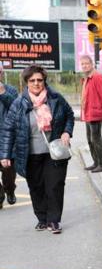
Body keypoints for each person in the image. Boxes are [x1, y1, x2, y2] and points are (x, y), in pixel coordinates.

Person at [0, 65, 74, 233]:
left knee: (55, 186)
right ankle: (42, 218)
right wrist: (4, 154)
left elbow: (69, 115)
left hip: (54, 153)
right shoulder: (19, 103)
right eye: (32, 80)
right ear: (27, 82)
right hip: (29, 155)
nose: (36, 83)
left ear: (44, 81)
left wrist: (66, 132)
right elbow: (8, 129)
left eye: (39, 80)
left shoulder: (55, 98)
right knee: (36, 187)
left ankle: (54, 220)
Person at [79, 55, 102, 173]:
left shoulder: (97, 77)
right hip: (88, 113)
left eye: (87, 63)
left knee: (96, 139)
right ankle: (96, 162)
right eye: (82, 64)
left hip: (95, 113)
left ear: (92, 64)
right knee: (90, 139)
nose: (84, 66)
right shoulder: (87, 77)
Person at [0, 63, 18, 207]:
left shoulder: (10, 90)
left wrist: (2, 93)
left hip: (7, 140)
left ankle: (10, 190)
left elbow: (16, 109)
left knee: (8, 174)